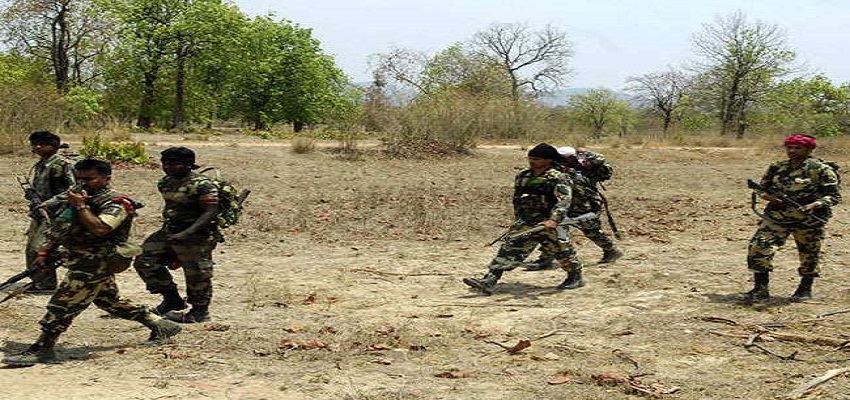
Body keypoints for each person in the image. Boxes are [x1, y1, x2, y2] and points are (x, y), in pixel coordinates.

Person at [2, 159, 182, 366]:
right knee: (109, 300)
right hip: (78, 258)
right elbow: (62, 224)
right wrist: (45, 250)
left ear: (107, 178)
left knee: (62, 305)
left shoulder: (117, 203)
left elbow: (101, 229)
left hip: (98, 261)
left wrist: (80, 206)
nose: (83, 183)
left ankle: (43, 349)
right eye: (79, 179)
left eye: (89, 179)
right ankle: (162, 326)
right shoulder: (80, 195)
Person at [463, 143, 585, 295]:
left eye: (537, 159)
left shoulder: (558, 177)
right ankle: (490, 280)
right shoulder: (523, 175)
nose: (532, 161)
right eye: (530, 158)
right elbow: (517, 198)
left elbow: (564, 200)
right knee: (509, 248)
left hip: (549, 223)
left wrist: (554, 220)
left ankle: (575, 277)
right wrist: (518, 217)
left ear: (548, 160)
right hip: (527, 221)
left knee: (562, 251)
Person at [745, 134, 841, 301]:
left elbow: (834, 196)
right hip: (777, 217)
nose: (792, 151)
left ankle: (805, 288)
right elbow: (762, 188)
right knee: (758, 247)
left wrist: (815, 204)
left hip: (809, 219)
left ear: (809, 149)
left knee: (809, 253)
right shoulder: (777, 167)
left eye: (798, 148)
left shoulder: (821, 169)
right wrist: (769, 197)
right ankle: (760, 288)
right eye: (789, 147)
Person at [134, 147, 220, 323]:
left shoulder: (202, 185)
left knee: (196, 273)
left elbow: (210, 211)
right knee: (144, 259)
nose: (168, 167)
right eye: (165, 163)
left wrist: (187, 233)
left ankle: (199, 312)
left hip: (197, 235)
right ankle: (172, 299)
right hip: (171, 231)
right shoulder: (166, 182)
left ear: (189, 164)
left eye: (174, 163)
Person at [525, 146, 623, 270]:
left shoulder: (585, 167)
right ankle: (545, 259)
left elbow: (599, 160)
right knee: (553, 232)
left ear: (571, 158)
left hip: (584, 206)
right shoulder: (558, 168)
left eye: (563, 158)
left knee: (591, 231)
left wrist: (582, 154)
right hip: (563, 205)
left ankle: (611, 250)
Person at [24, 131, 77, 292]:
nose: (36, 147)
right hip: (40, 212)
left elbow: (75, 188)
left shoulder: (63, 164)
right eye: (34, 144)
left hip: (58, 213)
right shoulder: (41, 165)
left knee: (40, 247)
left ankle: (45, 283)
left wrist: (51, 202)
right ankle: (40, 281)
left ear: (53, 146)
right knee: (31, 248)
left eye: (41, 144)